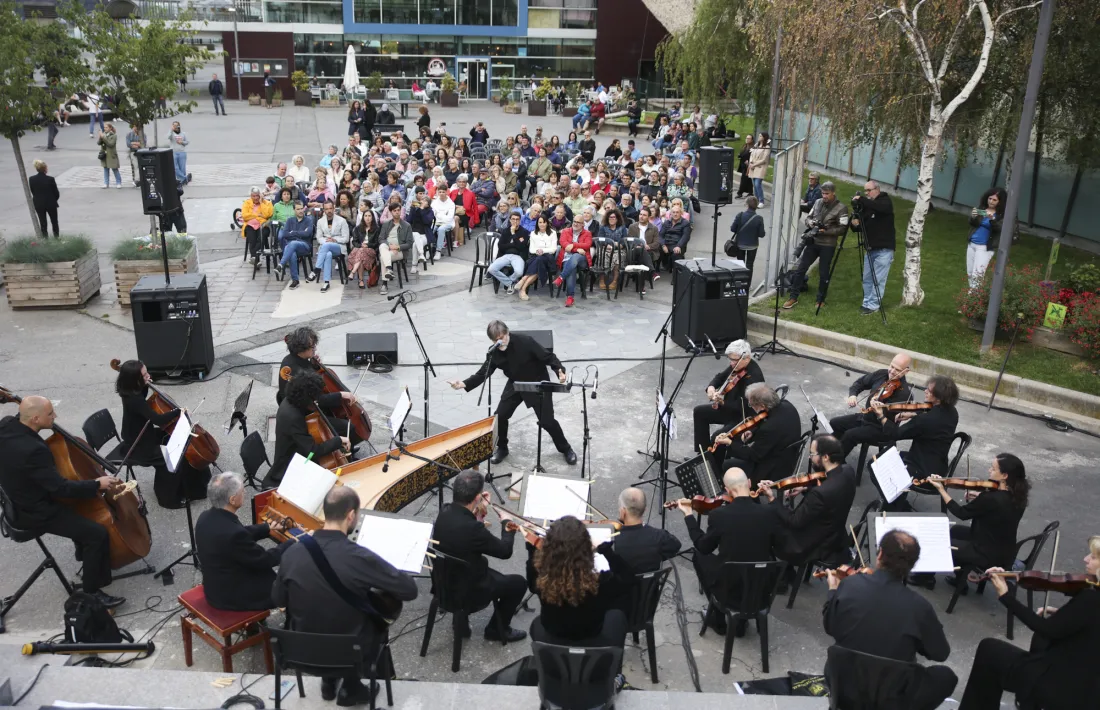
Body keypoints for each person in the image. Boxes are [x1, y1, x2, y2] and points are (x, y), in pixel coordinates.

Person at [272, 486, 418, 706]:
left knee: (324, 610)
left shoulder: (292, 552)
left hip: (301, 652)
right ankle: (351, 688)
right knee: (374, 620)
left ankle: (328, 683)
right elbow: (409, 590)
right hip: (351, 654)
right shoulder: (358, 557)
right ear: (351, 515)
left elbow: (278, 599)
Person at [0, 396, 125, 608]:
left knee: (83, 511)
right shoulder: (34, 451)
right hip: (35, 511)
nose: (55, 416)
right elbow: (60, 488)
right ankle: (92, 593)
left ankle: (85, 556)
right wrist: (97, 484)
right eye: (50, 414)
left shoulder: (6, 425)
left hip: (15, 498)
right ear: (35, 419)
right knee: (96, 534)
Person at [958, 535, 1100, 710]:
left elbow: (1045, 628)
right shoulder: (1090, 599)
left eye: (1093, 557)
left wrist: (1005, 596)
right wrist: (1065, 616)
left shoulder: (1091, 598)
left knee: (989, 651)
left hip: (1061, 686)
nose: (1085, 559)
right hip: (1090, 689)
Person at [823, 530, 957, 710]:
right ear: (912, 565)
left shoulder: (850, 584)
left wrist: (833, 591)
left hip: (845, 687)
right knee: (945, 676)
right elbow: (940, 653)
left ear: (880, 555)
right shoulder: (919, 607)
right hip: (891, 698)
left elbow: (830, 627)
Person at [526, 515, 632, 691]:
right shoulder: (601, 582)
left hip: (555, 634)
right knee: (617, 616)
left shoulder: (542, 579)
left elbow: (531, 584)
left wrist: (531, 549)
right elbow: (628, 578)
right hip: (592, 636)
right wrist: (606, 550)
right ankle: (614, 675)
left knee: (536, 624)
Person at [449, 320, 577, 465]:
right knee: (500, 416)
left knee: (547, 421)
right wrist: (463, 384)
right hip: (516, 383)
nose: (500, 342)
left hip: (537, 382)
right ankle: (502, 448)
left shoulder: (525, 341)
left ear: (507, 333)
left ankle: (566, 449)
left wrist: (559, 370)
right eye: (496, 340)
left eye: (502, 337)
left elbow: (549, 357)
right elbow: (483, 373)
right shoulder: (494, 352)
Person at [675, 467, 782, 634]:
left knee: (700, 556)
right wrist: (771, 498)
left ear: (727, 490)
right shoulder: (769, 512)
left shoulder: (719, 515)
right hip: (761, 587)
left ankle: (718, 619)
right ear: (749, 483)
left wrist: (689, 516)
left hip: (729, 590)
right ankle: (740, 622)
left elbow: (704, 546)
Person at [432, 471, 528, 642]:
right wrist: (507, 524)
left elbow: (467, 535)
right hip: (469, 589)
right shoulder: (474, 530)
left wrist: (478, 514)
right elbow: (505, 551)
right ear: (477, 497)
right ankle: (496, 631)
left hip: (443, 582)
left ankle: (460, 619)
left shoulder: (444, 511)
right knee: (519, 583)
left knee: (467, 561)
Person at [917, 453, 1029, 593]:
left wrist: (941, 489)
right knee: (955, 530)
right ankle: (960, 581)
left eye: (993, 469)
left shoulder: (991, 498)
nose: (989, 470)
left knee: (939, 543)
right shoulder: (1017, 495)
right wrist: (979, 498)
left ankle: (925, 579)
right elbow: (997, 511)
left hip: (985, 552)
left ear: (1004, 476)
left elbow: (961, 513)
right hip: (1003, 549)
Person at [758, 435, 857, 578]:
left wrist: (772, 499)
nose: (810, 457)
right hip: (836, 534)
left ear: (825, 457)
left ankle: (781, 576)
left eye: (812, 454)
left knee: (764, 526)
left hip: (812, 544)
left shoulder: (820, 494)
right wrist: (805, 489)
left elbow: (794, 521)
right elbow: (830, 493)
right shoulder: (848, 471)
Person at [115, 358, 208, 508]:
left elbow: (142, 397)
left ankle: (193, 489)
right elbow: (158, 419)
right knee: (173, 457)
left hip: (142, 433)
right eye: (144, 375)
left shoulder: (131, 392)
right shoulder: (134, 400)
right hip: (138, 444)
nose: (148, 376)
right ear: (135, 379)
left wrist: (146, 385)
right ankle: (169, 499)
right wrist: (177, 411)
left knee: (177, 440)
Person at [195, 473, 294, 611]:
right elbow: (265, 560)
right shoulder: (233, 533)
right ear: (233, 500)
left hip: (215, 585)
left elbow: (236, 535)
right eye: (242, 491)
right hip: (232, 597)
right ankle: (291, 622)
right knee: (290, 584)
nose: (245, 492)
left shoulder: (205, 517)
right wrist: (293, 543)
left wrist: (267, 528)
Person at [870, 374, 960, 511]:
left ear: (939, 397)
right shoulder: (952, 412)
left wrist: (880, 415)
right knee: (886, 459)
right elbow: (931, 412)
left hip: (921, 470)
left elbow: (894, 434)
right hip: (938, 465)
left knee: (873, 465)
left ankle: (894, 505)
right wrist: (913, 414)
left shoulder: (925, 421)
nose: (925, 391)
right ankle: (897, 501)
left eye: (929, 391)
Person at [267, 373, 351, 487]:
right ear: (307, 398)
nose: (317, 401)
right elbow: (312, 452)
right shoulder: (293, 417)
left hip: (297, 450)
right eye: (316, 398)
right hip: (291, 464)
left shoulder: (290, 400)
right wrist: (338, 441)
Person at [711, 383, 801, 486]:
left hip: (774, 468)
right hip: (787, 454)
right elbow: (767, 423)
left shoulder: (769, 428)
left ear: (762, 405)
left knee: (727, 465)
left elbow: (753, 455)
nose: (750, 406)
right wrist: (753, 432)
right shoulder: (786, 405)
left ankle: (744, 495)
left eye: (751, 404)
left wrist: (730, 443)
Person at [829, 352, 913, 459]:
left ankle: (835, 463)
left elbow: (891, 427)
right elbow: (860, 383)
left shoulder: (904, 393)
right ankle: (832, 452)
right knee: (835, 423)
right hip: (865, 417)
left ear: (906, 371)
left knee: (850, 435)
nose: (892, 371)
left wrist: (880, 412)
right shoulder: (882, 374)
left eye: (897, 370)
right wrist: (853, 395)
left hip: (880, 429)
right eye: (891, 366)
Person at [782, 181, 849, 310]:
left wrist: (826, 231)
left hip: (828, 244)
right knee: (801, 269)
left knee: (823, 272)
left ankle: (820, 299)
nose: (824, 196)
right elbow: (808, 217)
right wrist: (810, 223)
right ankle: (793, 297)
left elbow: (842, 229)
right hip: (813, 241)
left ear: (833, 193)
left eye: (827, 194)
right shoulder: (817, 202)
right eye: (823, 193)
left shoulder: (841, 208)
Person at [693, 339, 765, 451]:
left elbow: (744, 407)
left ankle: (716, 465)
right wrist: (711, 387)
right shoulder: (737, 365)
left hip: (742, 418)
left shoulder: (754, 377)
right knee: (699, 412)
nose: (731, 363)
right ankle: (701, 454)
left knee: (717, 437)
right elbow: (720, 377)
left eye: (734, 360)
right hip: (729, 409)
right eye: (730, 359)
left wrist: (722, 402)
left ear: (746, 358)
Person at [851, 180, 896, 315]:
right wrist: (854, 223)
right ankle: (866, 303)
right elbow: (860, 227)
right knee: (867, 278)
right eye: (865, 191)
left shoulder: (885, 201)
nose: (867, 194)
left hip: (884, 250)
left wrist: (862, 200)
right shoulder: (869, 206)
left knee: (878, 279)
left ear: (877, 189)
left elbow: (880, 208)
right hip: (870, 249)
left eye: (869, 190)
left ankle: (873, 305)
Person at [966, 188, 1005, 288]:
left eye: (994, 200)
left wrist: (992, 219)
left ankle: (972, 299)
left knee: (978, 274)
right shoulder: (982, 209)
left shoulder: (1001, 216)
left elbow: (999, 229)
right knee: (970, 273)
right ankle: (973, 296)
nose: (991, 201)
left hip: (984, 248)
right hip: (972, 244)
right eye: (990, 198)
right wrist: (973, 217)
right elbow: (973, 224)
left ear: (1000, 202)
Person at [309, 201, 350, 293]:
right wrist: (326, 241)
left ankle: (316, 269)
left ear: (334, 209)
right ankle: (326, 282)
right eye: (326, 209)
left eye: (330, 208)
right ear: (324, 210)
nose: (329, 211)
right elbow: (319, 238)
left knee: (326, 247)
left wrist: (335, 240)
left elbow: (346, 238)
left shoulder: (342, 221)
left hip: (338, 247)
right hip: (325, 246)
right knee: (327, 254)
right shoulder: (320, 221)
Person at [553, 215, 592, 308]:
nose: (575, 223)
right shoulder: (566, 231)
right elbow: (563, 244)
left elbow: (587, 245)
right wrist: (577, 249)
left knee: (575, 257)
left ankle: (561, 277)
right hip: (567, 259)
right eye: (574, 221)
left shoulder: (587, 233)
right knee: (572, 268)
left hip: (582, 260)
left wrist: (573, 245)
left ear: (583, 224)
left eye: (578, 222)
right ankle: (570, 297)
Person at [274, 202, 315, 289]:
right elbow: (285, 234)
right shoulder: (290, 220)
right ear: (294, 210)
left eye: (302, 208)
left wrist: (293, 233)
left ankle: (281, 264)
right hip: (291, 246)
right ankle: (295, 280)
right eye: (298, 209)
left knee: (291, 244)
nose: (300, 211)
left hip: (304, 245)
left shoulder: (308, 220)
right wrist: (300, 233)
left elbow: (307, 234)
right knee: (292, 252)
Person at [487, 211, 530, 295]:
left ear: (520, 220)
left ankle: (508, 282)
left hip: (518, 256)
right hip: (505, 255)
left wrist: (513, 233)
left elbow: (521, 247)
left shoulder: (524, 232)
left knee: (519, 272)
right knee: (491, 269)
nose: (515, 221)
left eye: (517, 219)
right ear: (510, 220)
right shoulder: (505, 231)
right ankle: (510, 283)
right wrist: (514, 244)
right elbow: (501, 246)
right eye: (513, 219)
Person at [376, 201, 413, 296]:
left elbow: (409, 243)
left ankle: (385, 284)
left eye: (398, 210)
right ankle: (389, 269)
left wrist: (398, 247)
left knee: (382, 258)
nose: (397, 212)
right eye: (394, 211)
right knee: (382, 246)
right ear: (391, 212)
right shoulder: (386, 224)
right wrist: (389, 246)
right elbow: (381, 238)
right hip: (388, 248)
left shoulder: (406, 225)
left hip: (399, 251)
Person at [728, 196, 765, 278]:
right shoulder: (759, 219)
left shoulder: (740, 215)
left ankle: (740, 281)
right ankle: (747, 284)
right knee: (750, 264)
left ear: (747, 205)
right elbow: (761, 234)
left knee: (741, 264)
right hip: (753, 246)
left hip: (740, 245)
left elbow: (732, 229)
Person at [241, 187, 274, 265]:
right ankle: (256, 260)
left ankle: (254, 257)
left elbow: (267, 215)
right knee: (252, 239)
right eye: (253, 196)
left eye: (257, 196)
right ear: (251, 196)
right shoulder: (247, 203)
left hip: (263, 225)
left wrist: (261, 202)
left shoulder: (267, 203)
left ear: (260, 195)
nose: (255, 198)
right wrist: (258, 215)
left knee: (262, 237)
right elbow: (245, 216)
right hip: (250, 225)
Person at [29, 160, 60, 237]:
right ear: (45, 169)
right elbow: (56, 193)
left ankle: (45, 239)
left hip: (39, 204)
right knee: (54, 222)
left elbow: (33, 191)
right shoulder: (50, 179)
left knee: (43, 223)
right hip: (51, 203)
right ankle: (56, 238)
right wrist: (53, 199)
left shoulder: (31, 179)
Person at [657, 203, 691, 271]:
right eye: (673, 212)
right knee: (657, 248)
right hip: (666, 244)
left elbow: (686, 236)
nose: (675, 214)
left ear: (681, 213)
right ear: (670, 214)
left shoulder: (685, 223)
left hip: (677, 244)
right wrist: (663, 245)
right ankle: (657, 270)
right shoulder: (667, 222)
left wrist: (679, 246)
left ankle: (676, 275)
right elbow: (661, 235)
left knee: (676, 253)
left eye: (677, 212)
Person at [747, 133, 770, 206]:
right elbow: (751, 155)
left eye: (760, 136)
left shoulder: (766, 147)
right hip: (753, 167)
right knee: (754, 184)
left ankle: (761, 201)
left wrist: (754, 164)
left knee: (757, 184)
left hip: (760, 167)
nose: (759, 137)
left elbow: (764, 159)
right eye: (759, 135)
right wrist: (751, 163)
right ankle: (755, 201)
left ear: (764, 137)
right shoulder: (756, 145)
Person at [97, 124, 122, 189]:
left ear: (110, 128)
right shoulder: (103, 134)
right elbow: (98, 143)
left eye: (106, 127)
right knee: (105, 169)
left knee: (114, 169)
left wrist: (103, 137)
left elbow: (110, 144)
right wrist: (100, 137)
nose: (105, 128)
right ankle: (106, 183)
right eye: (104, 127)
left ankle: (118, 182)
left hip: (111, 155)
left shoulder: (113, 135)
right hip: (104, 154)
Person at [170, 121, 191, 186]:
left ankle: (182, 181)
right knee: (175, 167)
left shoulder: (183, 134)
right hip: (174, 152)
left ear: (179, 126)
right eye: (174, 125)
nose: (176, 127)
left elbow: (187, 142)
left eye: (177, 125)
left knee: (182, 167)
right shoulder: (171, 134)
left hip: (182, 152)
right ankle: (184, 178)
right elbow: (167, 137)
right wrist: (171, 130)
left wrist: (182, 142)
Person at [735, 134, 754, 199]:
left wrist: (748, 162)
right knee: (748, 179)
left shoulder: (752, 148)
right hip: (743, 165)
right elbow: (742, 154)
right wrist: (740, 155)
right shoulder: (745, 146)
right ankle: (750, 192)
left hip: (747, 166)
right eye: (746, 138)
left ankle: (740, 193)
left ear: (752, 140)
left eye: (749, 138)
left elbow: (752, 156)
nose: (747, 139)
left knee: (744, 179)